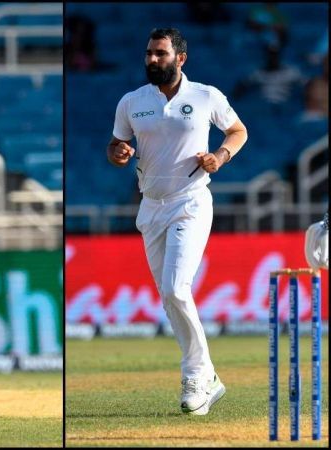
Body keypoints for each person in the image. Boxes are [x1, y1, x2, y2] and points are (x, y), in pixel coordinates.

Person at [107, 28, 248, 415]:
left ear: (180, 58)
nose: (152, 60)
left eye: (161, 54)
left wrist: (219, 156)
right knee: (170, 299)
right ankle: (210, 377)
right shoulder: (132, 101)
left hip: (191, 202)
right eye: (149, 53)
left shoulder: (205, 95)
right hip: (150, 207)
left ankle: (196, 377)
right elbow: (116, 145)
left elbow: (237, 131)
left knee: (174, 288)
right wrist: (118, 153)